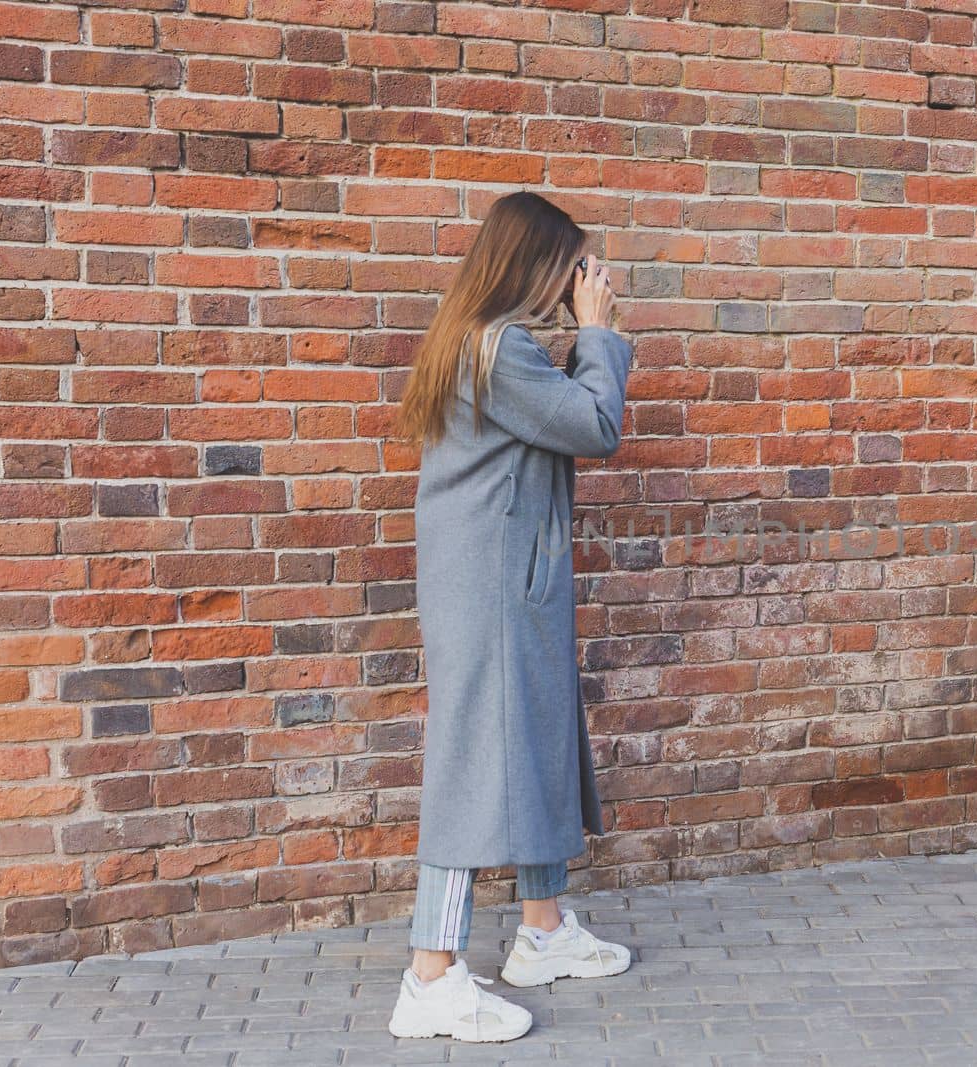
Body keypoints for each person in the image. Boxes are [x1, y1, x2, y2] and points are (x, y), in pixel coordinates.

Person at [387, 191, 634, 1042]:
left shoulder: (481, 342)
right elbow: (595, 424)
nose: (580, 280)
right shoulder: (498, 351)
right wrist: (596, 329)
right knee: (471, 763)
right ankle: (431, 973)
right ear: (534, 264)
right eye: (571, 265)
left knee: (530, 740)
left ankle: (542, 929)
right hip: (492, 593)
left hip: (499, 586)